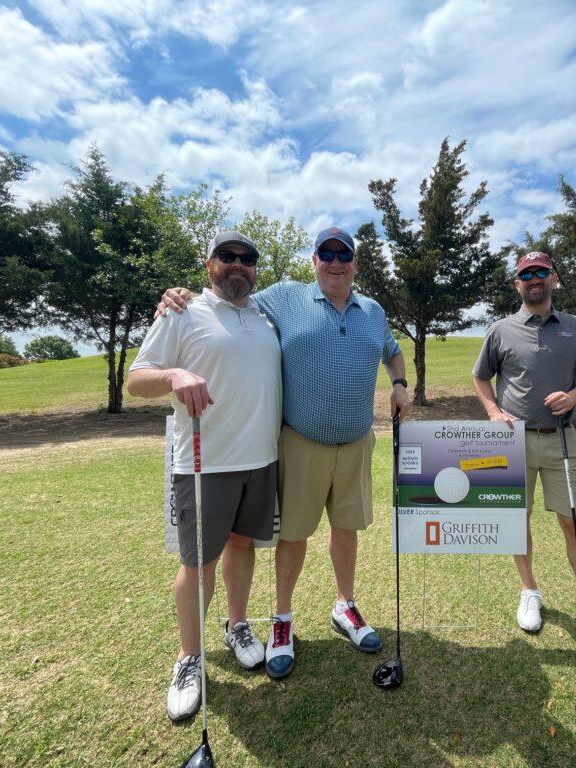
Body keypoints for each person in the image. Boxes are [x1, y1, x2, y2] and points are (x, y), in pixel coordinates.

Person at [157, 226, 410, 680]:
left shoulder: (372, 311)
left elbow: (392, 352)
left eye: (344, 254)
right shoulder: (283, 298)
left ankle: (345, 606)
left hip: (355, 443)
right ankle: (281, 619)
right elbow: (229, 295)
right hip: (300, 442)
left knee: (346, 528)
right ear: (314, 260)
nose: (336, 262)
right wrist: (178, 294)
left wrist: (399, 383)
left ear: (355, 262)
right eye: (326, 253)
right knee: (293, 535)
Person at [128, 231, 281, 722]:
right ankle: (188, 658)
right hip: (203, 462)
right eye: (227, 257)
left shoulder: (265, 314)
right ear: (209, 263)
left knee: (242, 546)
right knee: (198, 564)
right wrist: (174, 376)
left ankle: (237, 625)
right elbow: (137, 379)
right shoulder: (182, 310)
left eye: (247, 259)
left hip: (260, 458)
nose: (238, 265)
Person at [472, 251, 576, 658]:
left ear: (553, 278)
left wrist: (572, 395)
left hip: (563, 438)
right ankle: (529, 590)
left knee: (575, 526)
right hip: (512, 442)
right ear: (516, 283)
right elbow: (481, 378)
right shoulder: (501, 330)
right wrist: (493, 411)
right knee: (518, 520)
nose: (534, 279)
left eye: (541, 272)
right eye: (526, 274)